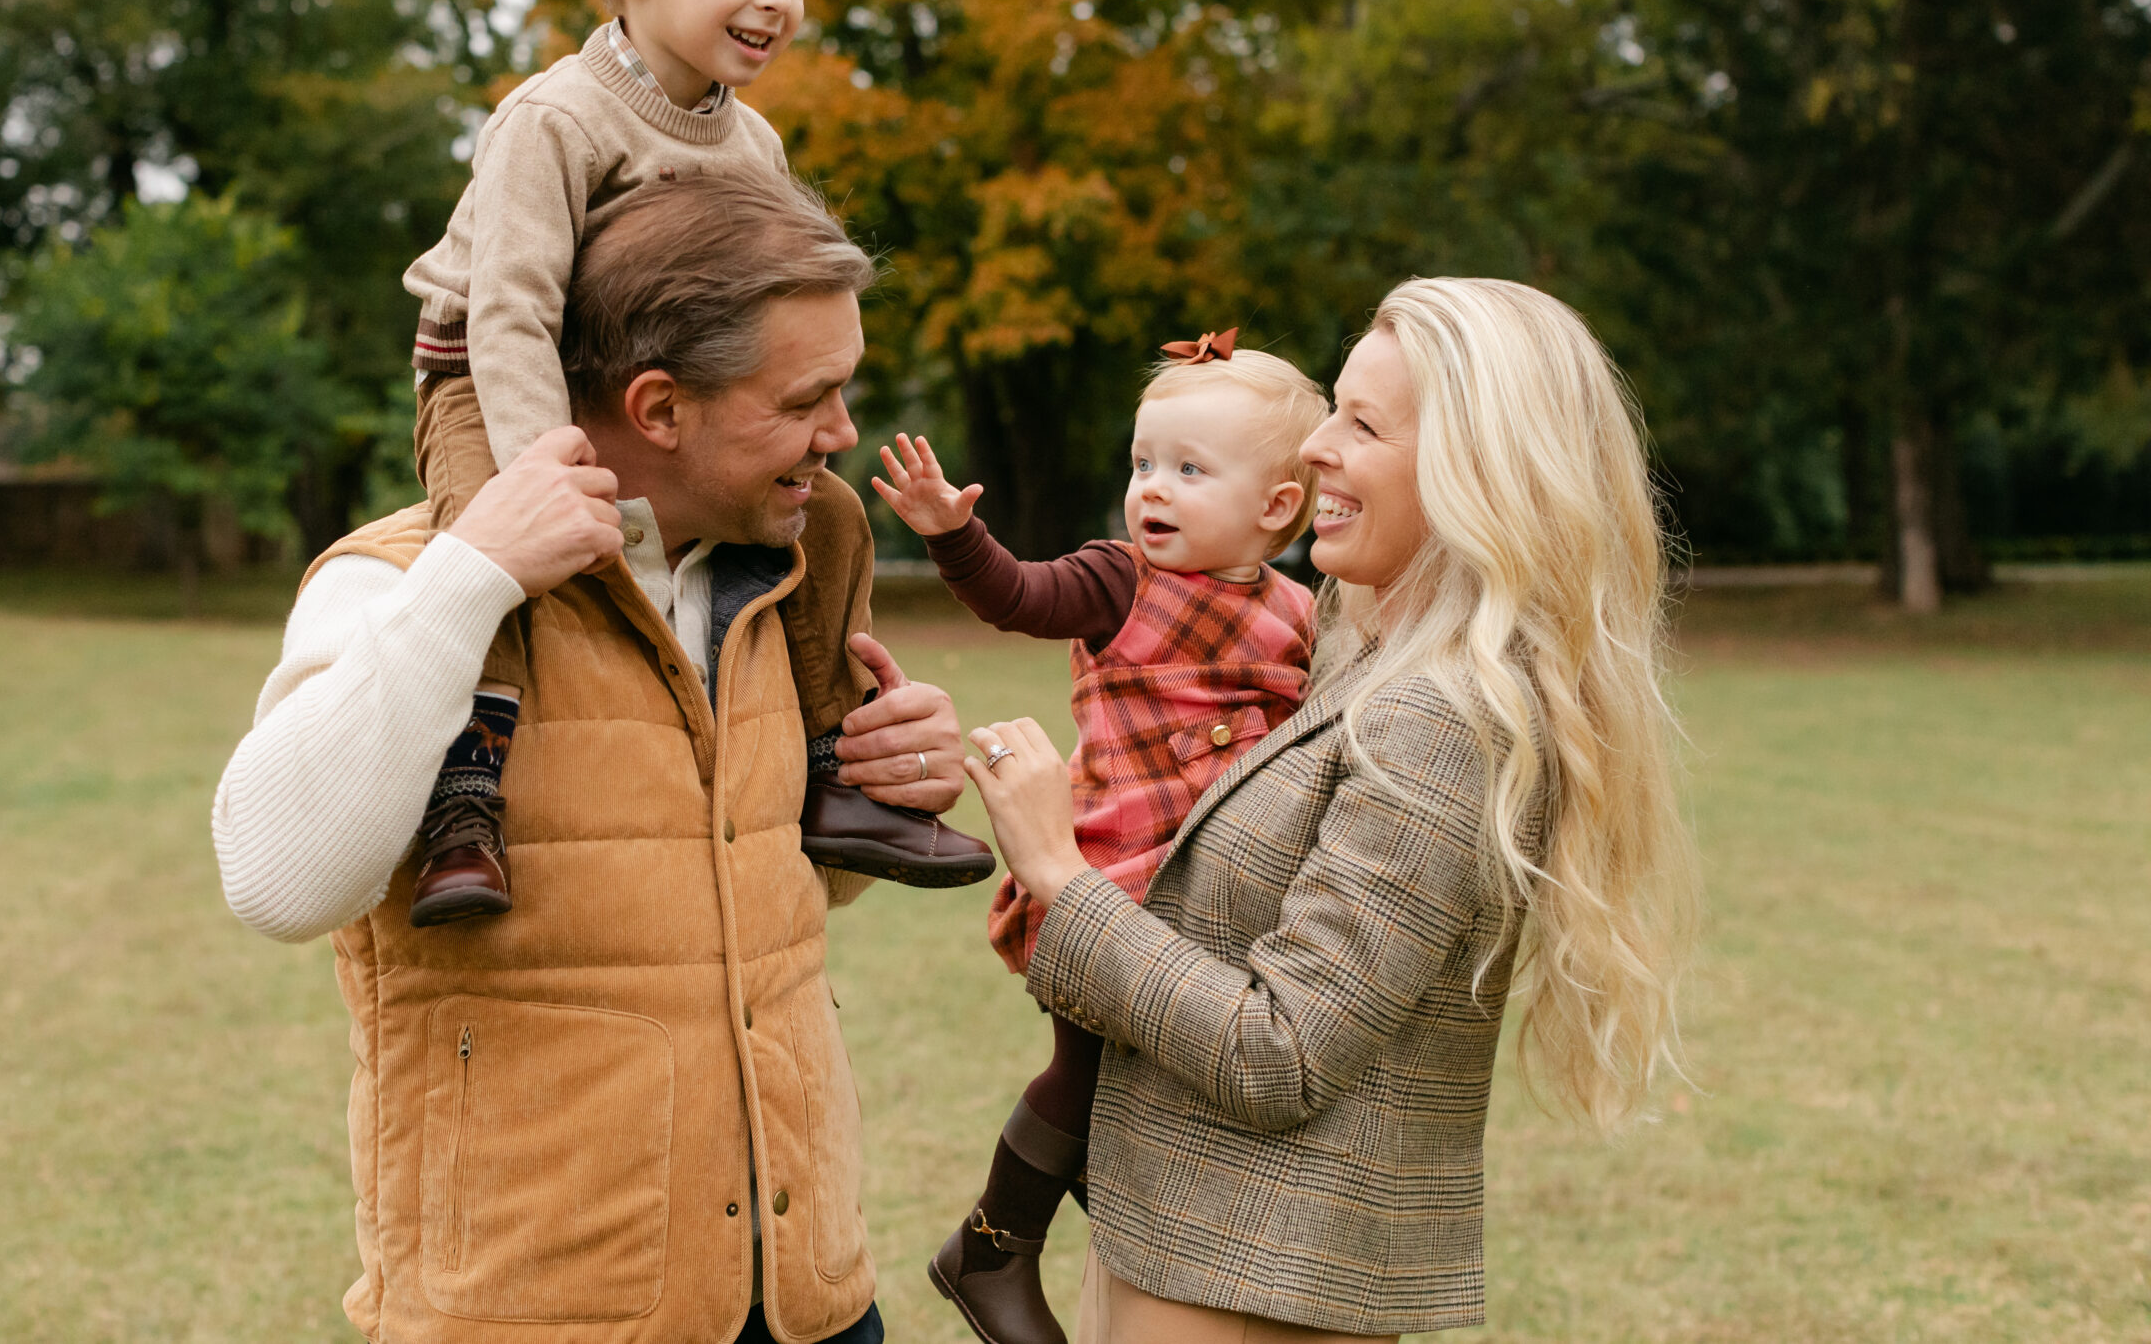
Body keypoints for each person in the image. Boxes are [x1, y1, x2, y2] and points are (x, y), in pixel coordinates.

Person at [214, 174, 972, 1344]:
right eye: (808, 398)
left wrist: (887, 778)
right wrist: (472, 579)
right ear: (658, 409)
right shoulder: (400, 580)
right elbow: (277, 883)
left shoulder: (776, 580)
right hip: (538, 1309)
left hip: (807, 1297)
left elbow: (775, 893)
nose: (841, 434)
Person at [961, 278, 1696, 1342]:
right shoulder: (1349, 660)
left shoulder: (1443, 719)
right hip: (1172, 1244)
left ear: (1469, 468)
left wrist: (1058, 874)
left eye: (1360, 425)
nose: (1312, 452)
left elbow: (1284, 1053)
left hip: (1250, 1292)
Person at [394, 0, 989, 923]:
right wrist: (543, 477)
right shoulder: (554, 120)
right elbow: (511, 312)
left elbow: (775, 315)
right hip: (490, 376)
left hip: (644, 396)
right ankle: (463, 801)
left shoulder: (751, 141)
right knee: (493, 547)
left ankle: (828, 769)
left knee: (831, 518)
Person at [868, 333, 1329, 1344]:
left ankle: (1108, 1215)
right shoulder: (1119, 582)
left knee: (1155, 1077)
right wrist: (955, 537)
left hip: (1214, 903)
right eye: (1142, 463)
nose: (1150, 489)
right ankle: (989, 1251)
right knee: (1080, 1070)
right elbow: (1018, 595)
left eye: (1188, 470)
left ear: (1278, 508)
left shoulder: (1302, 615)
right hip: (1103, 884)